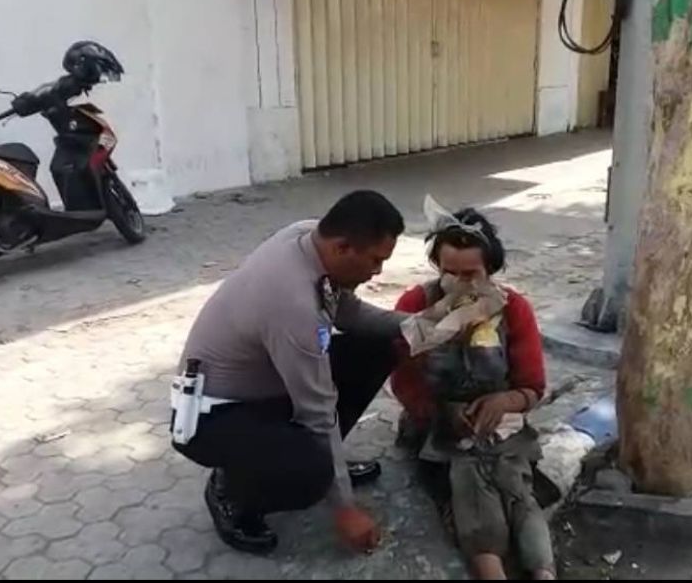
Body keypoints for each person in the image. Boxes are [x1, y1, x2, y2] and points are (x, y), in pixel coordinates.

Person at [172, 190, 408, 556]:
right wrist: (345, 507)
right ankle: (232, 492)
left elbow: (349, 314)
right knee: (309, 469)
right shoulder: (293, 304)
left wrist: (418, 325)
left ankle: (324, 466)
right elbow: (317, 411)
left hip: (263, 385)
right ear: (343, 248)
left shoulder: (308, 236)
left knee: (380, 344)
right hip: (211, 417)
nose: (378, 271)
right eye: (376, 260)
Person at [391, 203, 557, 580]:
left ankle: (544, 573)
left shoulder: (513, 309)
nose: (460, 283)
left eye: (471, 274)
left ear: (490, 270)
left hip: (501, 426)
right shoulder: (416, 305)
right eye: (449, 272)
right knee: (469, 487)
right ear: (437, 266)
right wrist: (442, 412)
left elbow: (532, 385)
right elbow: (404, 381)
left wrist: (505, 401)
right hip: (438, 428)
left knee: (517, 489)